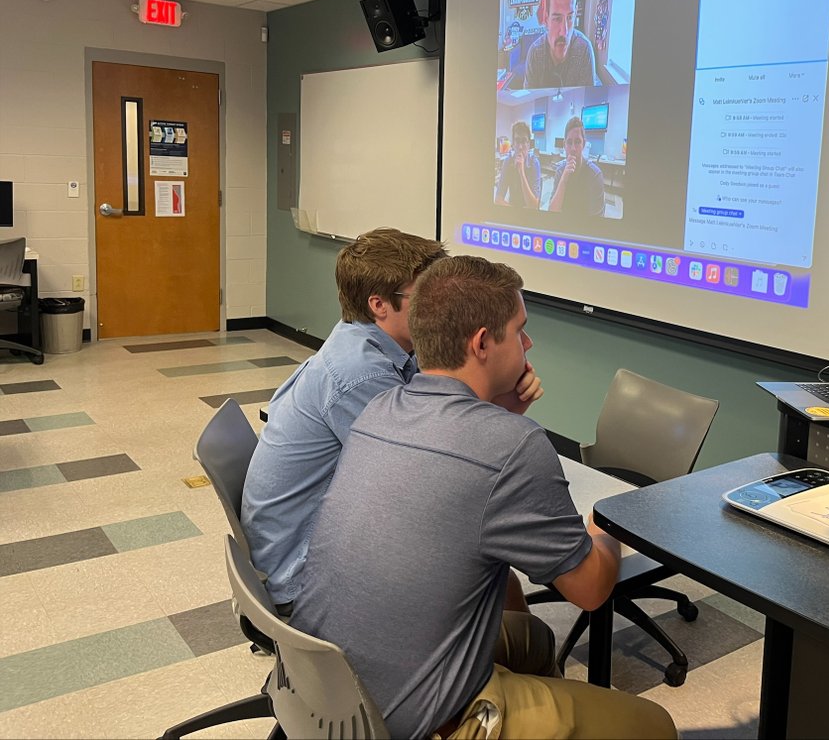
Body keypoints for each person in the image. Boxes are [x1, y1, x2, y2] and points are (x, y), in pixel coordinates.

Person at [291, 256, 677, 740]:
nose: (529, 343)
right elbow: (591, 591)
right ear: (481, 343)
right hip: (403, 721)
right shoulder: (513, 445)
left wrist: (499, 413)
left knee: (534, 639)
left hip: (319, 688)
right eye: (520, 330)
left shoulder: (381, 407)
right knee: (653, 726)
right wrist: (607, 524)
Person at [241, 229, 543, 608]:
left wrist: (501, 406)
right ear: (379, 305)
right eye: (424, 297)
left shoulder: (373, 344)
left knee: (497, 576)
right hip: (303, 574)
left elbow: (440, 434)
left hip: (309, 542)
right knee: (483, 562)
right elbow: (428, 476)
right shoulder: (363, 374)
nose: (438, 306)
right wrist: (501, 415)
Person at [521, 0, 600, 90]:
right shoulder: (535, 54)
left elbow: (587, 102)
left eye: (569, 17)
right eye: (557, 19)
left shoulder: (584, 50)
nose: (564, 31)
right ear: (546, 18)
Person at [548, 116, 605, 216]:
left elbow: (597, 222)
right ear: (564, 145)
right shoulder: (560, 171)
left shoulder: (595, 175)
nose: (573, 148)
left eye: (577, 142)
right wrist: (564, 179)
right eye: (569, 142)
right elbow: (552, 212)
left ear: (583, 144)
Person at [494, 120, 542, 208]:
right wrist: (516, 213)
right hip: (512, 208)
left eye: (524, 141)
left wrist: (521, 173)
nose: (520, 147)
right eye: (517, 141)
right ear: (513, 144)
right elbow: (498, 199)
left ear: (529, 144)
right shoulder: (508, 162)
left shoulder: (534, 163)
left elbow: (534, 206)